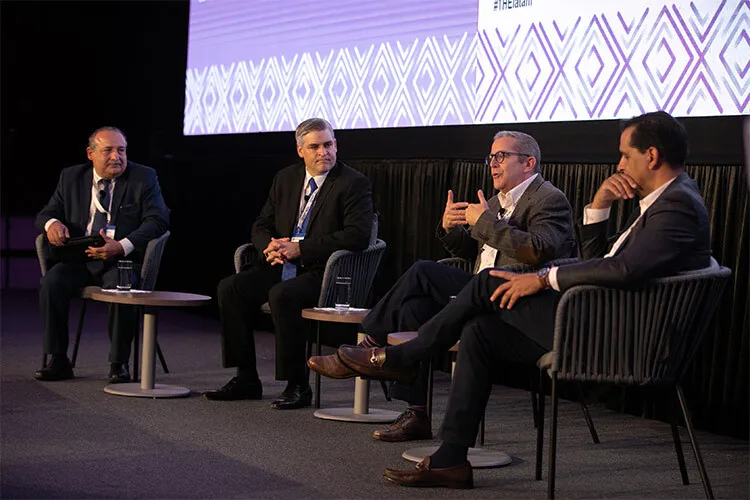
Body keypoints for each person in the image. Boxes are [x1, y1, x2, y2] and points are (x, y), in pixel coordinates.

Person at [310, 111, 711, 488]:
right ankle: (451, 457)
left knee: (486, 284)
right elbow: (600, 261)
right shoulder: (667, 202)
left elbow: (621, 270)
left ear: (652, 156)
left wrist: (542, 278)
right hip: (597, 319)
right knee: (482, 331)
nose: (620, 165)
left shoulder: (676, 206)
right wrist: (599, 207)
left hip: (615, 336)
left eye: (626, 155)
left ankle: (401, 357)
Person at [308, 130, 576, 441]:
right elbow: (474, 253)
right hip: (478, 290)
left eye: (501, 156)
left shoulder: (548, 198)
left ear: (528, 163)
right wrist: (452, 230)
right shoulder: (493, 201)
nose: (492, 164)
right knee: (413, 308)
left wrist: (486, 222)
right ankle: (417, 414)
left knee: (423, 271)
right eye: (490, 157)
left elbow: (538, 250)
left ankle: (370, 344)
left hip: (512, 299)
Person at [205, 118, 374, 410]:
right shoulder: (286, 178)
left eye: (328, 144)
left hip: (323, 271)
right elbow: (261, 223)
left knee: (283, 295)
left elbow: (358, 235)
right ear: (300, 150)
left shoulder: (353, 182)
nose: (324, 152)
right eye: (315, 146)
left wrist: (301, 249)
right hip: (280, 264)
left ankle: (297, 384)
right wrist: (268, 245)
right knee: (230, 288)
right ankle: (246, 378)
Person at [34, 127, 170, 384]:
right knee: (51, 282)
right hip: (80, 258)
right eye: (108, 150)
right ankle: (58, 359)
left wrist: (122, 245)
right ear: (90, 153)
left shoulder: (144, 177)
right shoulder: (71, 177)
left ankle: (119, 364)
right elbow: (45, 214)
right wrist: (51, 224)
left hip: (120, 259)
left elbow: (158, 220)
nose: (116, 157)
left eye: (121, 150)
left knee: (121, 286)